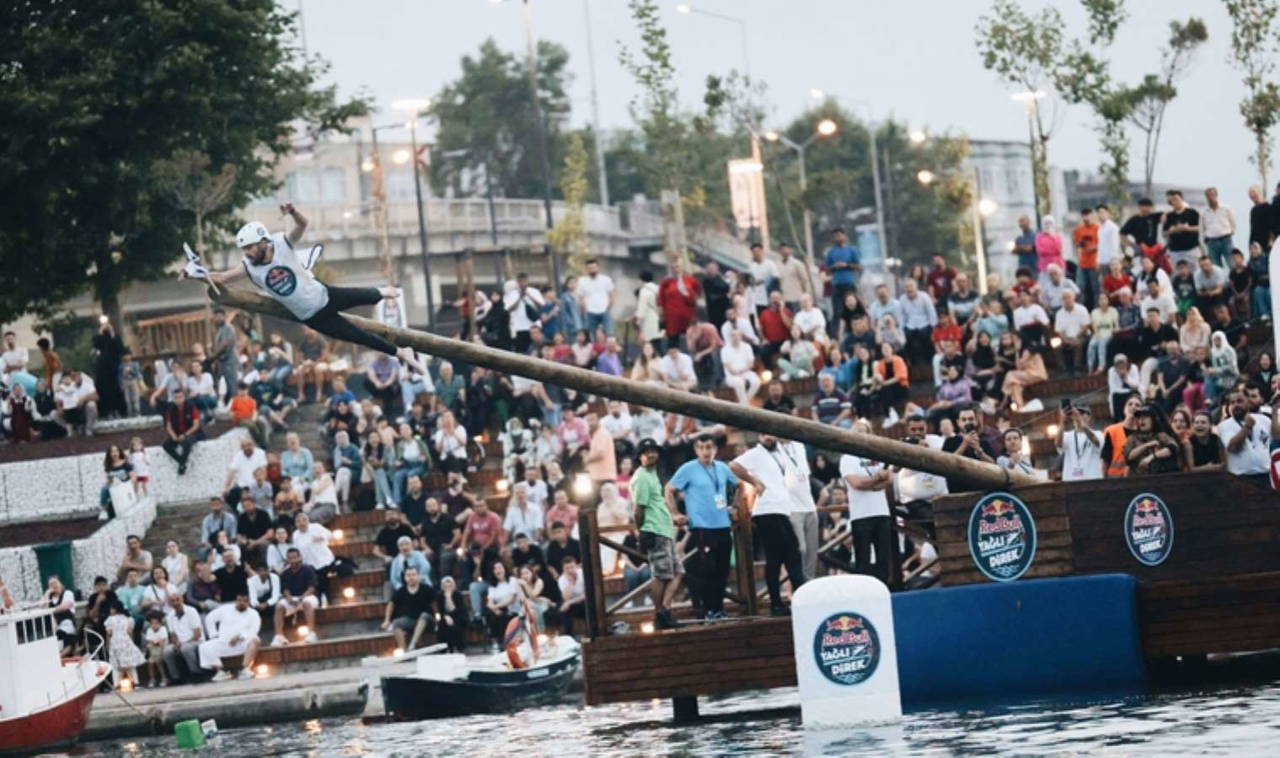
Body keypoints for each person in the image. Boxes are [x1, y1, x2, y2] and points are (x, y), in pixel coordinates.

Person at [189, 204, 424, 374]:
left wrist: (292, 212)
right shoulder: (249, 267)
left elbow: (302, 225)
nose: (247, 254)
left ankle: (383, 291)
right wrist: (195, 274)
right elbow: (221, 278)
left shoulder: (282, 243)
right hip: (312, 317)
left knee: (362, 295)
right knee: (358, 336)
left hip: (325, 296)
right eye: (245, 250)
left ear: (263, 242)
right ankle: (401, 352)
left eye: (250, 248)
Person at [731, 434, 805, 616]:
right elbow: (734, 465)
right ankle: (782, 602)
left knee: (783, 556)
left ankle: (786, 601)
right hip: (767, 510)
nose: (768, 437)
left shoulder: (779, 452)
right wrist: (755, 482)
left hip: (782, 509)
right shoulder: (756, 453)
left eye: (770, 433)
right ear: (759, 436)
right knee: (785, 555)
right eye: (764, 434)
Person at [666, 434, 737, 620]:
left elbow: (740, 484)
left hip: (723, 525)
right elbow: (669, 489)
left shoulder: (722, 468)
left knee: (722, 570)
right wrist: (675, 513)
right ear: (696, 450)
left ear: (715, 449)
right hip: (701, 527)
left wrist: (736, 506)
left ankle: (718, 609)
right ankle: (706, 611)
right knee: (705, 570)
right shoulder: (688, 468)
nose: (705, 451)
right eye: (701, 448)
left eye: (709, 447)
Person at [631, 438, 686, 629]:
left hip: (665, 529)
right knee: (661, 575)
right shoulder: (641, 477)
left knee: (678, 572)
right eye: (646, 452)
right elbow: (638, 510)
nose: (651, 455)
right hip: (654, 530)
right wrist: (642, 531)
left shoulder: (654, 473)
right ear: (640, 456)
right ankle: (659, 614)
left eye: (654, 451)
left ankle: (664, 610)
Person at [840, 420, 895, 585]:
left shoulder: (877, 455)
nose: (861, 435)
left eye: (864, 431)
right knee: (863, 559)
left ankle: (884, 588)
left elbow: (890, 479)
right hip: (861, 514)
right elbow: (856, 483)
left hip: (881, 512)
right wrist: (877, 479)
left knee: (884, 558)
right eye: (857, 431)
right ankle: (863, 591)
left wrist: (872, 483)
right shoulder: (847, 458)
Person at [199, 592, 261, 681]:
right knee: (204, 646)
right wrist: (214, 635)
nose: (242, 603)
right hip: (224, 643)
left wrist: (240, 636)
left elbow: (254, 630)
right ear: (235, 601)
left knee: (255, 640)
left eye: (245, 601)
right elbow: (209, 618)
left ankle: (244, 670)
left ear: (249, 602)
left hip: (243, 643)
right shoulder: (225, 609)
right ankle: (222, 672)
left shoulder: (253, 614)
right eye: (239, 600)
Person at [1219, 390, 1272, 482]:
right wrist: (1247, 427)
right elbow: (1233, 447)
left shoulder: (1264, 420)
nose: (1236, 405)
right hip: (1241, 478)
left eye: (1239, 401)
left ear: (1248, 402)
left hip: (1266, 475)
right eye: (1232, 403)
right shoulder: (1225, 425)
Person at [273, 548, 320, 646]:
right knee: (279, 606)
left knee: (306, 603)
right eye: (290, 558)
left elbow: (312, 588)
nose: (293, 560)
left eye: (294, 558)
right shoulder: (285, 573)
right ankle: (279, 636)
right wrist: (289, 598)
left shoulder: (308, 570)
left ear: (300, 558)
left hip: (308, 596)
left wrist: (302, 597)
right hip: (293, 598)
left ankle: (311, 633)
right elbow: (285, 589)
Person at [1123, 404, 1183, 475]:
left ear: (1153, 420)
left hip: (1158, 478)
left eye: (1146, 416)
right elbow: (1129, 457)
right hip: (1137, 479)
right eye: (1139, 417)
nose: (1141, 420)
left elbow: (1173, 448)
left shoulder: (1161, 436)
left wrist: (1152, 457)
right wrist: (1148, 445)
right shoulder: (1132, 438)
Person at [163, 594, 204, 684]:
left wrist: (184, 643)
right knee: (167, 651)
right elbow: (173, 635)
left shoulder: (191, 611)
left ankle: (196, 673)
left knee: (186, 648)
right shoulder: (169, 616)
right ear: (170, 604)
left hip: (196, 641)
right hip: (180, 643)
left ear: (182, 600)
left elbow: (197, 634)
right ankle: (176, 677)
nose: (175, 603)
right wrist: (176, 643)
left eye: (177, 600)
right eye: (172, 601)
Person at [824, 228, 861, 322]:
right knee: (837, 312)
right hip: (836, 284)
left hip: (849, 283)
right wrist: (835, 266)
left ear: (844, 236)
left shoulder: (851, 250)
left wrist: (846, 265)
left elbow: (858, 266)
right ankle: (836, 331)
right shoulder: (831, 252)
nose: (838, 238)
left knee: (853, 308)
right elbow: (827, 269)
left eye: (839, 235)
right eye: (835, 236)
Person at [105, 601, 146, 687]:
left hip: (115, 642)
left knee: (115, 665)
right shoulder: (128, 619)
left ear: (115, 609)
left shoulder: (110, 620)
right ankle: (136, 682)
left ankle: (116, 684)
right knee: (130, 663)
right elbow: (130, 632)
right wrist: (132, 643)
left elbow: (109, 633)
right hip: (126, 642)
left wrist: (108, 645)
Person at [1057, 404, 1103, 481]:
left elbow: (1095, 441)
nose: (1078, 415)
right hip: (1071, 481)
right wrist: (1062, 421)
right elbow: (1058, 444)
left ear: (1089, 416)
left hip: (1093, 481)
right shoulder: (1067, 435)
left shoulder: (1098, 433)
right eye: (1076, 413)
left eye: (1082, 413)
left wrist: (1081, 421)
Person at [1102, 393, 1143, 477]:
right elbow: (1105, 459)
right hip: (1115, 478)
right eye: (1130, 404)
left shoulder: (1144, 432)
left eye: (1137, 405)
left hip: (1138, 477)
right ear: (1124, 409)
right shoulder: (1111, 431)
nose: (1133, 407)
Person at [1162, 190, 1201, 268]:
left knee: (1195, 270)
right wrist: (1172, 231)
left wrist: (1187, 228)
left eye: (1176, 199)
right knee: (1177, 271)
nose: (1175, 202)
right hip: (1175, 250)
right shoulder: (1169, 216)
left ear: (1182, 199)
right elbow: (1164, 233)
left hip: (1191, 249)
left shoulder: (1192, 213)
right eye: (1172, 200)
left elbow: (1200, 228)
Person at [1201, 186, 1237, 268]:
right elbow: (1202, 229)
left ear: (1216, 195)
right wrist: (1204, 241)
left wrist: (1230, 233)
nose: (1210, 197)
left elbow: (1233, 223)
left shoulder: (1226, 209)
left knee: (1232, 263)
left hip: (1226, 239)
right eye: (1208, 196)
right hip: (1212, 242)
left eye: (1212, 195)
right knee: (1216, 266)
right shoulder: (1204, 212)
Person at [1073, 208, 1101, 308]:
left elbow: (1102, 245)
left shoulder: (1098, 228)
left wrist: (1094, 248)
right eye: (1084, 215)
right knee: (1080, 287)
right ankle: (1079, 308)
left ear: (1092, 216)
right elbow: (1077, 245)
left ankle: (1097, 308)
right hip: (1082, 263)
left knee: (1096, 288)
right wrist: (1079, 255)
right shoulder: (1079, 230)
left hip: (1094, 262)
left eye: (1088, 215)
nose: (1086, 217)